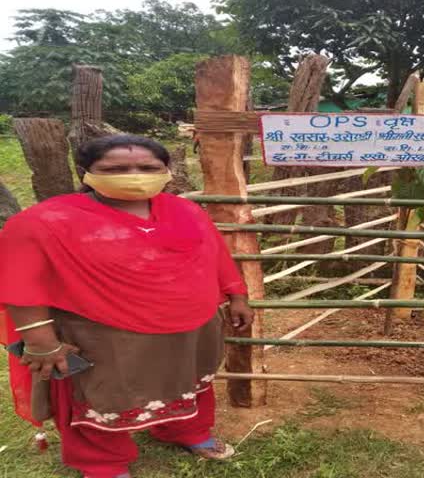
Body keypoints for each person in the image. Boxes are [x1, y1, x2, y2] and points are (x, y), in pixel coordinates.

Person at [0, 134, 254, 478]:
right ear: (85, 171)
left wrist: (236, 295)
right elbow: (18, 281)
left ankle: (185, 431)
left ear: (167, 170)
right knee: (103, 397)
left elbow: (215, 257)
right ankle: (103, 464)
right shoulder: (44, 221)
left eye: (148, 167)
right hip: (101, 331)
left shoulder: (185, 210)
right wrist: (39, 341)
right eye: (116, 168)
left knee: (189, 381)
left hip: (191, 326)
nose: (134, 174)